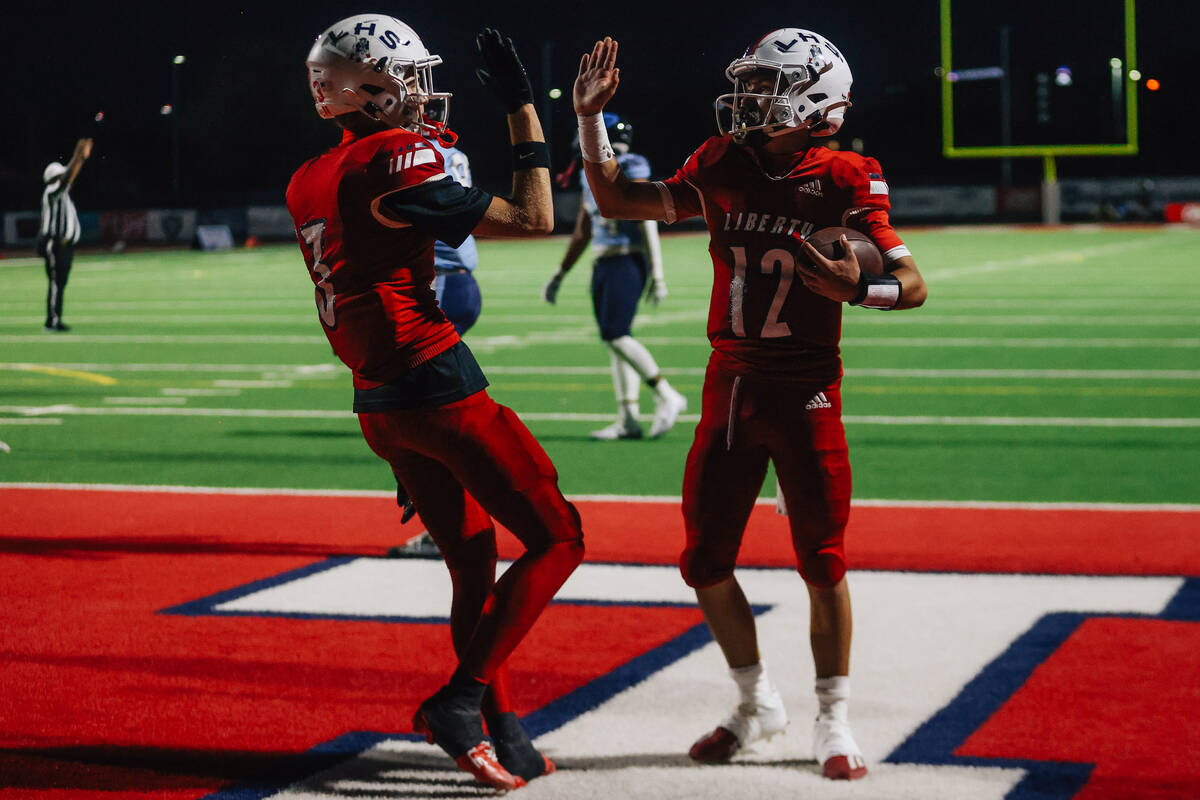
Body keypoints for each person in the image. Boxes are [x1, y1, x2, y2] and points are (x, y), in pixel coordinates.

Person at [572, 31, 927, 780]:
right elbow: (616, 198)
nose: (751, 98)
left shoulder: (847, 175)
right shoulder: (720, 159)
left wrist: (861, 290)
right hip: (730, 384)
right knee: (703, 561)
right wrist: (590, 120)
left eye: (769, 85)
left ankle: (833, 715)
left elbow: (911, 284)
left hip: (807, 388)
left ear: (813, 99)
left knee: (822, 561)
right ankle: (756, 700)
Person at [286, 16, 584, 790]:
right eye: (407, 79)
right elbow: (534, 217)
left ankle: (505, 733)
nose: (419, 94)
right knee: (560, 539)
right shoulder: (394, 155)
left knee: (472, 563)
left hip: (377, 403)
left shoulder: (309, 174)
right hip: (435, 383)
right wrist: (523, 109)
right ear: (367, 89)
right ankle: (460, 703)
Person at [543, 114, 687, 440]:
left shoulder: (630, 165)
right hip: (603, 262)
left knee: (616, 334)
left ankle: (666, 394)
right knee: (614, 341)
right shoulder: (587, 176)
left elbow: (646, 217)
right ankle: (628, 418)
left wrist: (658, 273)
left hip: (626, 258)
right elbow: (583, 230)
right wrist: (560, 273)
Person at [38, 137, 93, 332]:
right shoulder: (52, 191)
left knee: (60, 283)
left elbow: (68, 178)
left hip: (65, 245)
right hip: (56, 244)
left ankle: (55, 318)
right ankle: (52, 320)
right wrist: (78, 158)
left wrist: (79, 160)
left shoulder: (62, 194)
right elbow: (67, 177)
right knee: (55, 283)